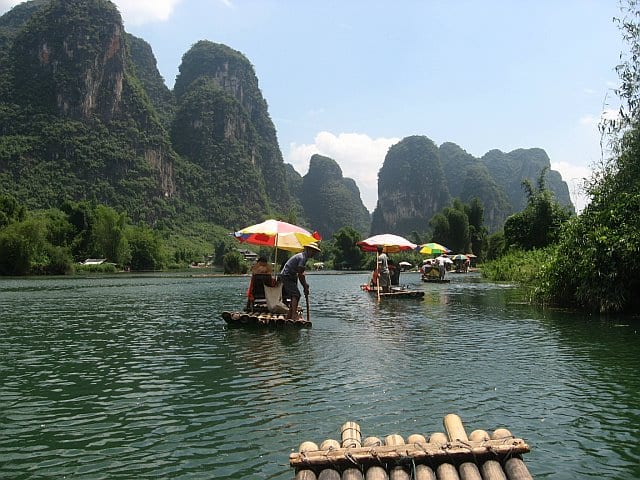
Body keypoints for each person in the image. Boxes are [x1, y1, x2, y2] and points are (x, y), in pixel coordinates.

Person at [279, 243, 321, 319]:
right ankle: (294, 314)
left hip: (291, 275)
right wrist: (305, 286)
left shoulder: (304, 257)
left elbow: (300, 273)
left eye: (315, 251)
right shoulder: (302, 258)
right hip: (287, 275)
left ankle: (289, 314)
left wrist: (305, 285)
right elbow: (300, 274)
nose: (314, 253)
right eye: (313, 251)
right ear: (308, 249)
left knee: (294, 296)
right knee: (296, 295)